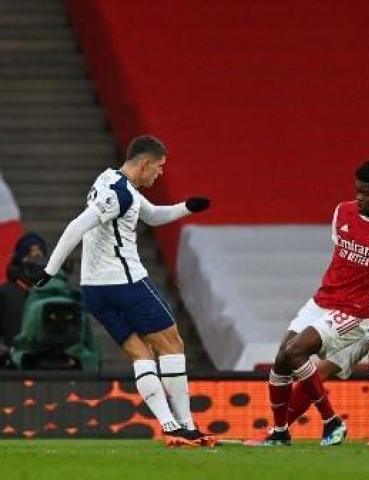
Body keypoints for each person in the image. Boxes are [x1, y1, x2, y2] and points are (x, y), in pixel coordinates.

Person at [29, 135, 213, 447]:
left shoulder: (109, 180)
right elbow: (78, 225)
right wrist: (50, 269)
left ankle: (169, 427)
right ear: (143, 164)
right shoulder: (119, 193)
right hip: (125, 282)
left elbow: (152, 215)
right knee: (172, 345)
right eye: (158, 167)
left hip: (95, 291)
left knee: (140, 354)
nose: (159, 173)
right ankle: (188, 425)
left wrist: (186, 207)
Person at [253, 160, 369, 447]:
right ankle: (280, 432)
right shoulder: (342, 212)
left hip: (354, 311)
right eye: (357, 191)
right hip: (322, 300)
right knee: (283, 357)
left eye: (367, 193)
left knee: (297, 353)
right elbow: (342, 259)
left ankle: (332, 421)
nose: (359, 198)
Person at [0, 233, 49, 366]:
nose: (35, 261)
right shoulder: (4, 293)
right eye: (30, 255)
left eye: (39, 256)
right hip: (12, 367)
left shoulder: (54, 292)